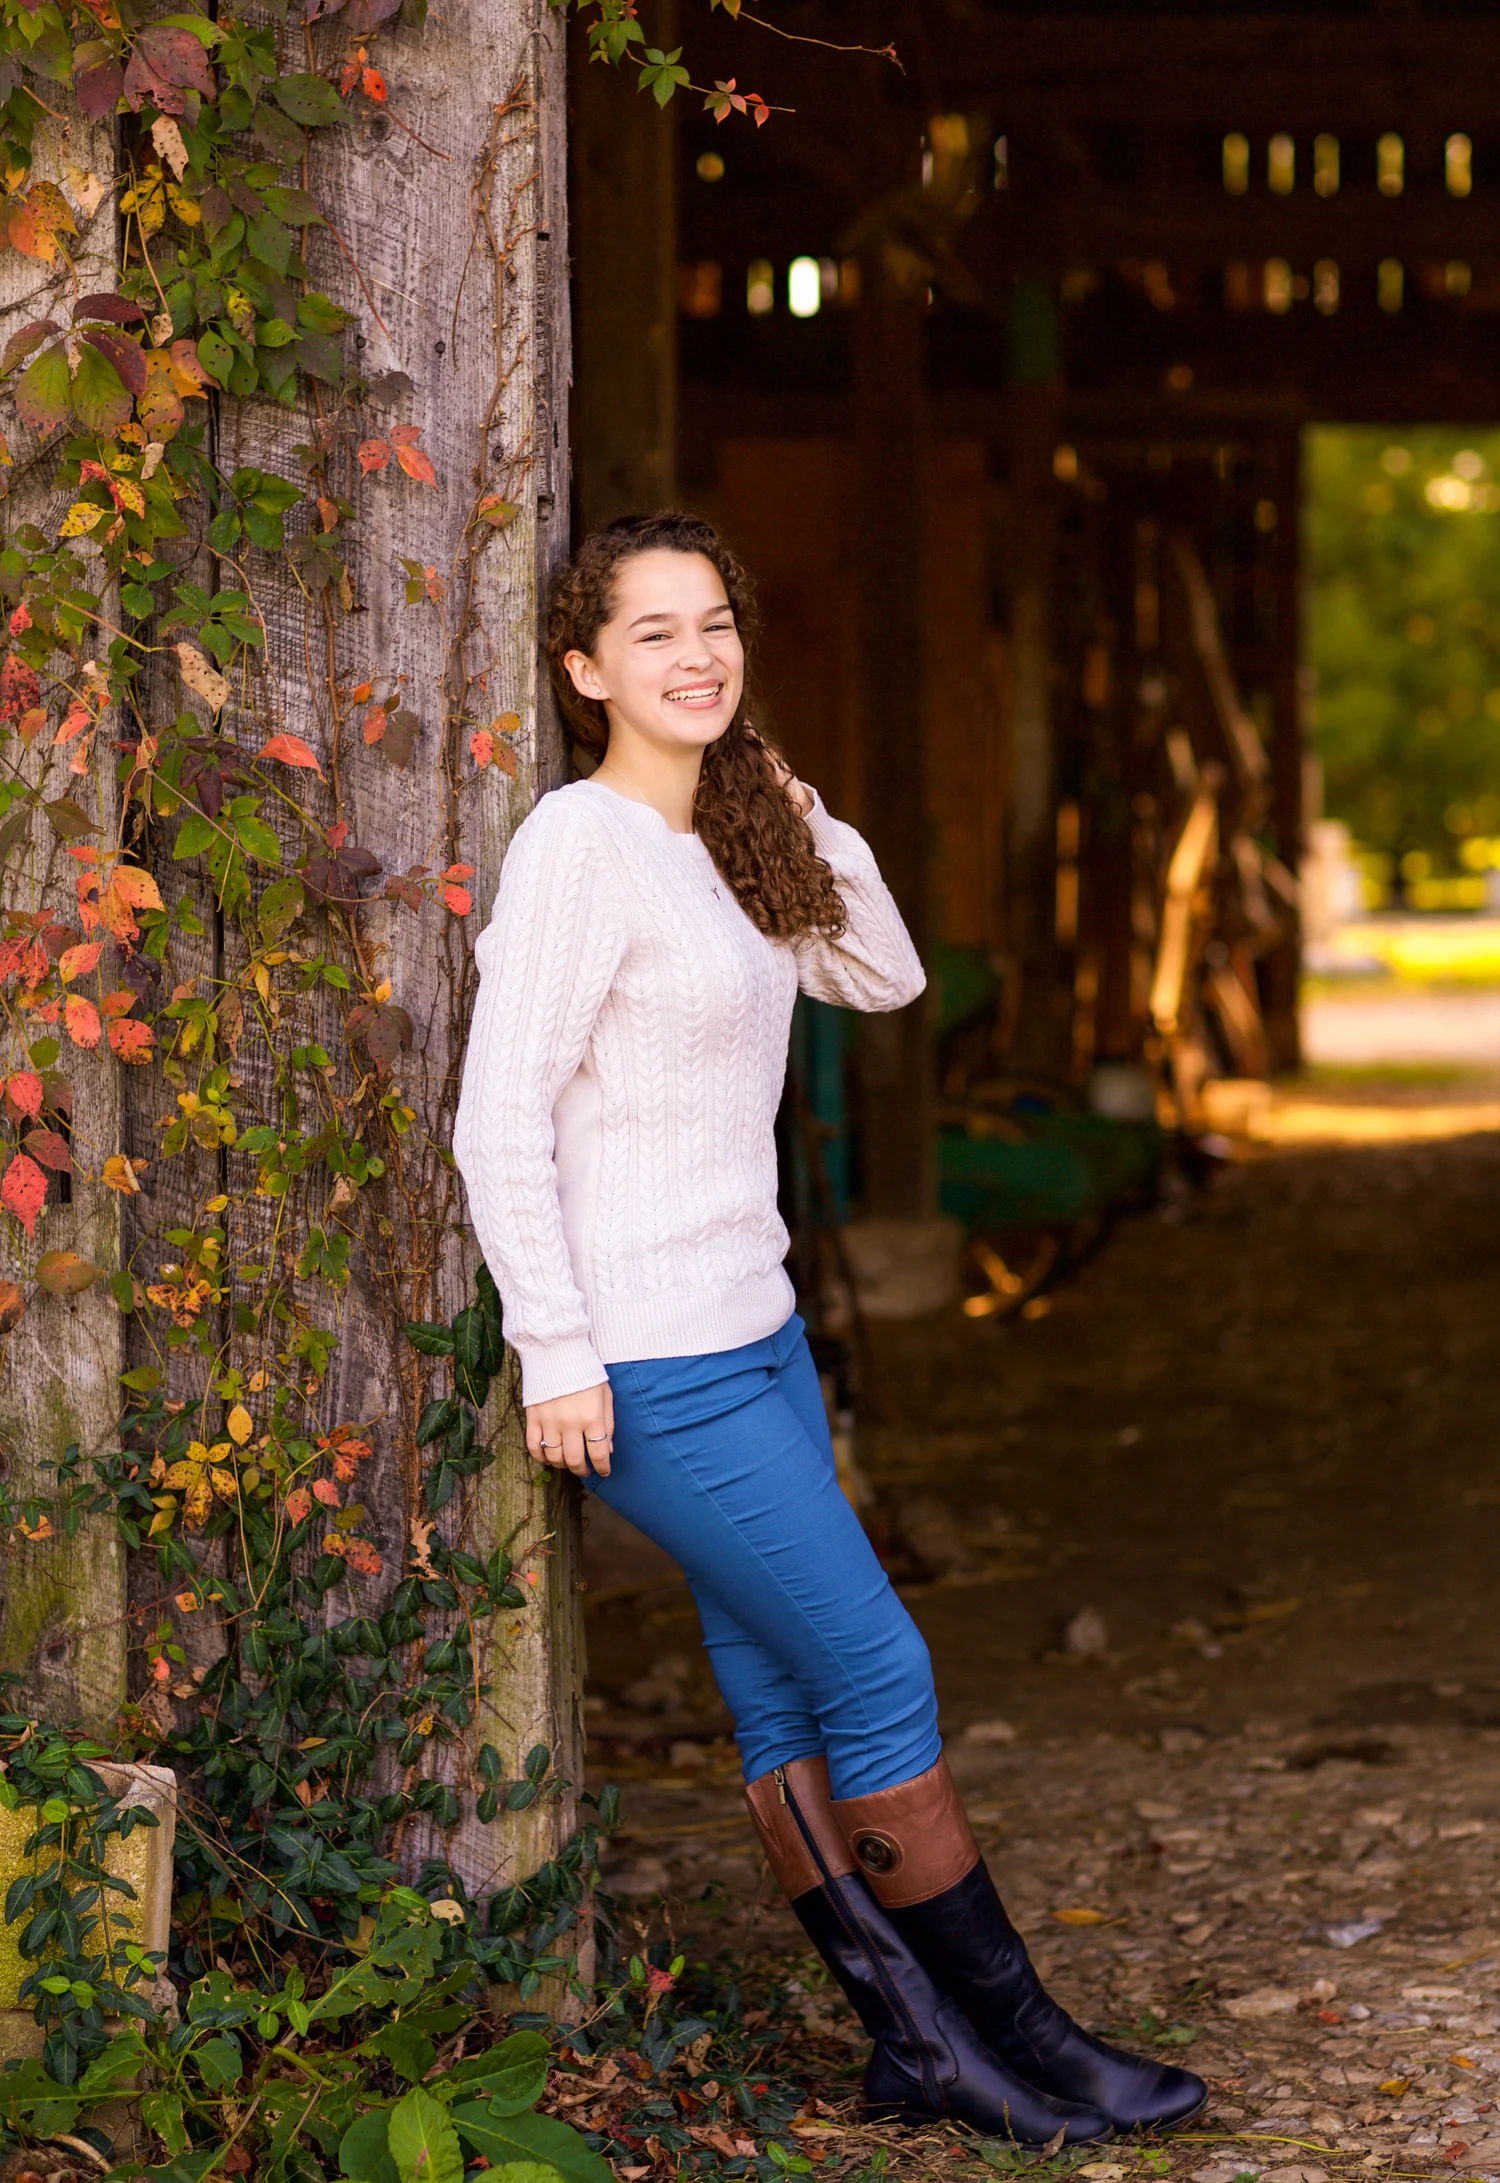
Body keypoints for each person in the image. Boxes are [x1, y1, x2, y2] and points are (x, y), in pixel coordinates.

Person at [452, 511, 1203, 2143]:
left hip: (763, 1329)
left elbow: (885, 973)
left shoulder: (728, 841)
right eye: (653, 633)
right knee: (878, 1664)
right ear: (586, 670)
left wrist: (797, 811)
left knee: (785, 1692)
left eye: (715, 622)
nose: (696, 655)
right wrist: (555, 1346)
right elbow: (498, 1111)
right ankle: (1019, 2031)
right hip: (655, 1357)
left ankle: (917, 2042)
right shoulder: (578, 845)